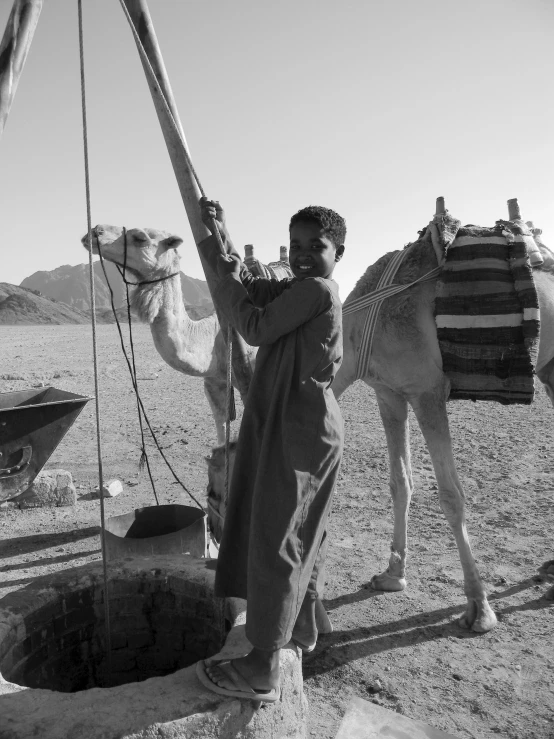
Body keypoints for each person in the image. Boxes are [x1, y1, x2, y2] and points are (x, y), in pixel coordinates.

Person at [196, 197, 346, 702]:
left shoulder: (317, 291)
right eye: (297, 245)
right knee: (296, 531)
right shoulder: (299, 289)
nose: (304, 254)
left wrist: (227, 291)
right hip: (291, 425)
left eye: (316, 246)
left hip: (298, 431)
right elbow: (257, 288)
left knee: (277, 536)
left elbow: (254, 324)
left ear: (338, 252)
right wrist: (222, 236)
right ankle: (299, 628)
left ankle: (262, 667)